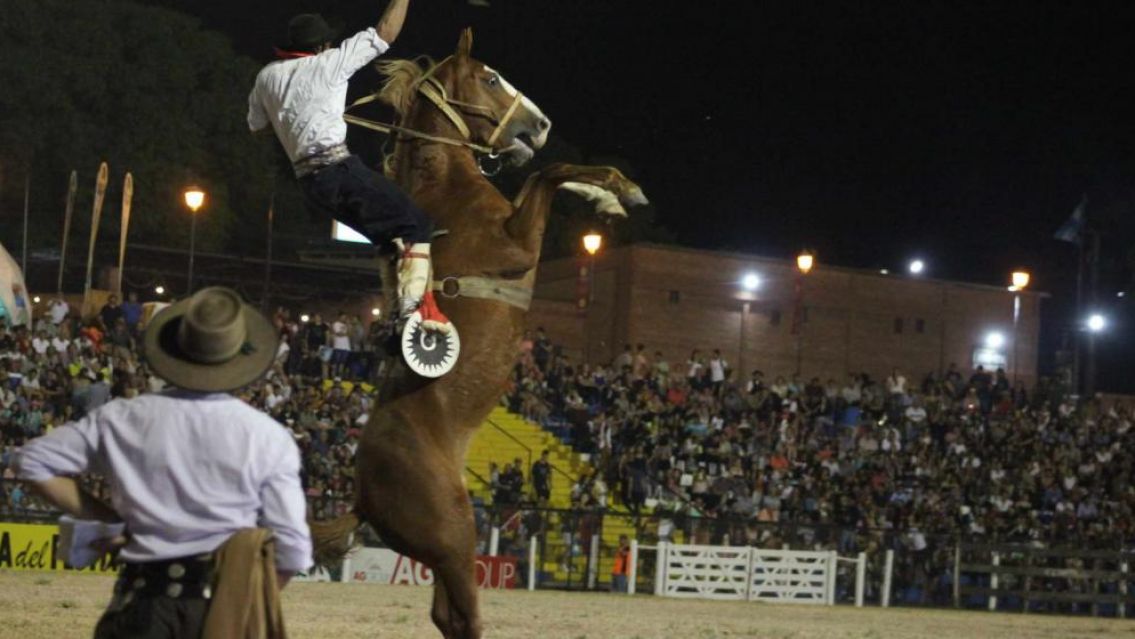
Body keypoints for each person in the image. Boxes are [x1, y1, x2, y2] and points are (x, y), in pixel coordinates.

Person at [16, 287, 311, 638]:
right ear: (236, 357)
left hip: (142, 603)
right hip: (218, 606)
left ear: (175, 349)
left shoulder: (121, 418)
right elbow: (293, 549)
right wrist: (241, 600)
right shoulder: (268, 437)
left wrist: (111, 519)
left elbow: (31, 461)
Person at [246, 1, 452, 338]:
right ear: (321, 46)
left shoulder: (266, 77)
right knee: (417, 224)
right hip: (338, 170)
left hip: (311, 185)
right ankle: (412, 312)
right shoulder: (331, 63)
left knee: (390, 239)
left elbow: (258, 128)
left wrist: (296, 118)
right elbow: (385, 31)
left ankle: (394, 315)